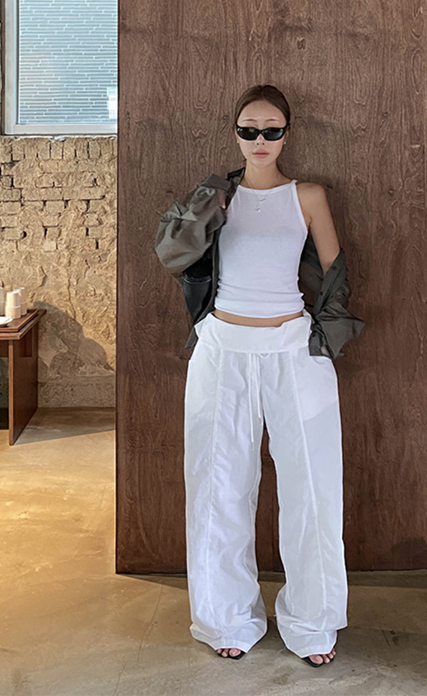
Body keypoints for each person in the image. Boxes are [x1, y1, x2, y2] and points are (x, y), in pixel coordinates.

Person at [155, 84, 364, 668]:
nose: (260, 140)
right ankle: (226, 616)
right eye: (249, 130)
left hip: (295, 349)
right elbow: (172, 253)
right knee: (218, 486)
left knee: (313, 488)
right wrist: (207, 206)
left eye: (272, 130)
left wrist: (324, 340)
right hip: (222, 349)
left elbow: (336, 274)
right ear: (236, 134)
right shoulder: (214, 197)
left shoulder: (308, 196)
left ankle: (313, 622)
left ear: (287, 134)